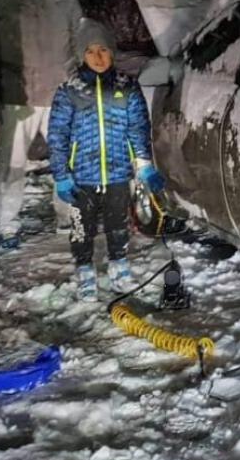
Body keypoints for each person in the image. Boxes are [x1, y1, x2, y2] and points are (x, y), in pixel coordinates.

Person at [47, 19, 165, 300]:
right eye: (90, 51)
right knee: (81, 228)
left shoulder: (128, 87)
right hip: (80, 176)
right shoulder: (69, 90)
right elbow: (57, 135)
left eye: (103, 50)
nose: (98, 57)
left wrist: (145, 166)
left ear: (112, 52)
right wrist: (61, 175)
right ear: (81, 55)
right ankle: (85, 269)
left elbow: (138, 129)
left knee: (117, 225)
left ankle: (119, 265)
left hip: (117, 173)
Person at [0, 0, 83, 252]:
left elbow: (79, 33)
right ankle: (6, 227)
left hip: (60, 90)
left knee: (66, 161)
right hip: (19, 93)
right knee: (11, 167)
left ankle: (68, 216)